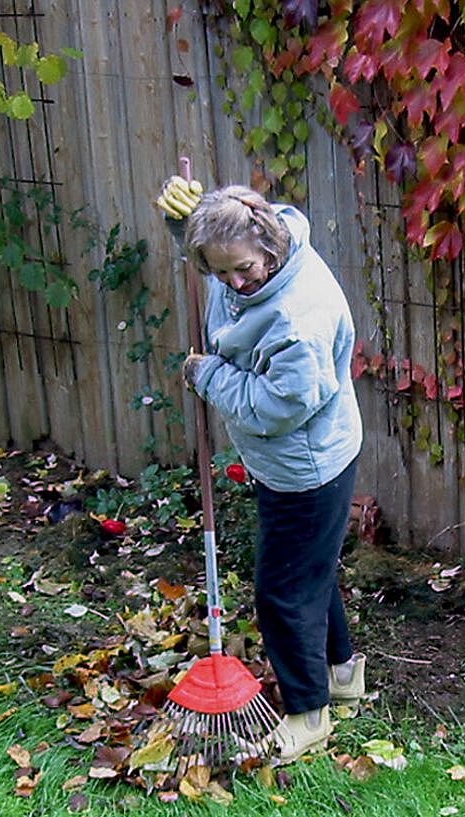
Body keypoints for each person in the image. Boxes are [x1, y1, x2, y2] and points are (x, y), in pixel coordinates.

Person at [155, 178, 366, 763]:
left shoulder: (299, 319)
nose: (232, 283)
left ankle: (308, 714)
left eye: (242, 271)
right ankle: (342, 675)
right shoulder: (260, 245)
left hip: (305, 466)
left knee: (282, 593)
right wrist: (185, 225)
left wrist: (206, 375)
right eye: (219, 274)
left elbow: (275, 408)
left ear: (269, 249)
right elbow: (216, 253)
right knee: (310, 570)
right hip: (301, 457)